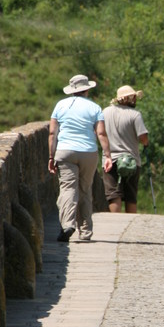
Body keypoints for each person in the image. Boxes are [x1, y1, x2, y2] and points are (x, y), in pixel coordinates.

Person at [48, 74, 113, 242]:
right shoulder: (95, 108)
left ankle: (67, 225)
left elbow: (52, 133)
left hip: (65, 151)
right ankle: (85, 231)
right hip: (88, 152)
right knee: (85, 189)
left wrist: (51, 156)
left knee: (68, 188)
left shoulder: (60, 105)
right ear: (87, 89)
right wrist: (107, 155)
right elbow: (101, 133)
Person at [102, 84, 149, 214]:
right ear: (128, 99)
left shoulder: (105, 112)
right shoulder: (135, 115)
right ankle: (129, 226)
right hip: (131, 160)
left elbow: (99, 132)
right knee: (130, 196)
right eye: (133, 97)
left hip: (110, 159)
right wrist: (146, 143)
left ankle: (115, 224)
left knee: (113, 195)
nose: (135, 99)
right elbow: (143, 138)